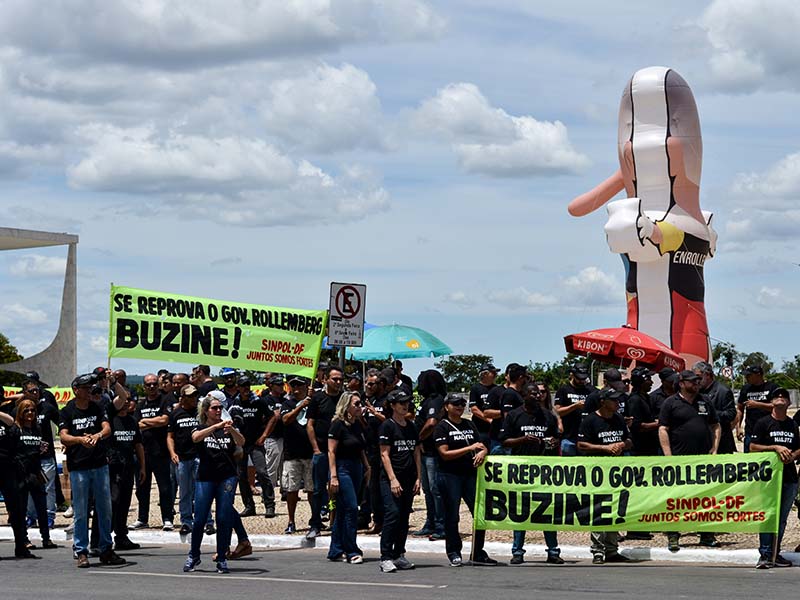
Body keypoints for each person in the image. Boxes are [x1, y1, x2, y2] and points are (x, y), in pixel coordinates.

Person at [59, 373, 126, 567]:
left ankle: (106, 549)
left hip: (99, 465)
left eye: (91, 388)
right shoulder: (67, 411)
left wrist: (96, 436)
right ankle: (81, 551)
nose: (89, 391)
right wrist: (80, 440)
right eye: (86, 388)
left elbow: (107, 429)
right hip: (79, 467)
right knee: (80, 511)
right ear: (76, 390)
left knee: (105, 509)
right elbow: (64, 436)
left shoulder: (97, 407)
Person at [184, 393, 246, 574]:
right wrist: (216, 426)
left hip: (227, 476)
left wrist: (232, 430)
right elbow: (195, 438)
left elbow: (241, 443)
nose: (218, 411)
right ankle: (194, 554)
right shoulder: (201, 426)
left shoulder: (228, 427)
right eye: (214, 408)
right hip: (206, 477)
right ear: (206, 411)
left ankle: (221, 556)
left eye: (220, 408)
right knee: (200, 519)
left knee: (224, 517)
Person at [500, 383, 562, 564]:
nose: (537, 396)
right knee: (521, 511)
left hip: (544, 470)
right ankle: (517, 552)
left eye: (540, 393)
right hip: (521, 470)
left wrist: (551, 441)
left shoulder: (547, 416)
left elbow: (557, 438)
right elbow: (504, 441)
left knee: (547, 512)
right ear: (524, 395)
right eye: (533, 393)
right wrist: (523, 440)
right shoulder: (513, 415)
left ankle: (553, 552)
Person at [659, 370, 721, 552]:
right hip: (678, 459)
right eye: (693, 381)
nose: (697, 383)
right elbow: (663, 429)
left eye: (698, 381)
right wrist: (668, 456)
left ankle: (706, 534)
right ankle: (673, 535)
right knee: (675, 499)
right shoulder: (670, 403)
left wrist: (715, 448)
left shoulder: (705, 401)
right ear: (682, 383)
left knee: (705, 497)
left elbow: (715, 425)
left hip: (703, 459)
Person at [434, 394, 496, 567]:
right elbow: (444, 454)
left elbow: (481, 445)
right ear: (446, 406)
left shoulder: (469, 424)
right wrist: (469, 448)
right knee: (452, 516)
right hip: (450, 475)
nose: (460, 407)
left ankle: (477, 552)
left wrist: (483, 452)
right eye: (455, 404)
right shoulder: (442, 427)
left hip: (470, 475)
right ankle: (454, 551)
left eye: (462, 403)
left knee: (479, 514)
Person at [578, 388, 633, 564]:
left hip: (617, 472)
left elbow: (630, 440)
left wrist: (621, 445)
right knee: (598, 510)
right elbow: (581, 444)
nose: (618, 403)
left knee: (615, 509)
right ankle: (598, 550)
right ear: (603, 401)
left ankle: (611, 549)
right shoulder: (590, 420)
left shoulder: (618, 419)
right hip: (597, 473)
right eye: (614, 400)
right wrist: (604, 448)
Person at [750, 388, 800, 568]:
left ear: (789, 403)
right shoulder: (763, 423)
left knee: (782, 518)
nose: (780, 398)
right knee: (768, 516)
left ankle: (775, 553)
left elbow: (798, 447)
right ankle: (764, 554)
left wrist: (793, 455)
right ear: (772, 403)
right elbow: (753, 447)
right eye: (776, 396)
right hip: (768, 479)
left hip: (789, 478)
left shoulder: (792, 425)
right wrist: (775, 448)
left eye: (784, 397)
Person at [378, 389, 422, 573]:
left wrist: (419, 477)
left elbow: (417, 452)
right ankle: (386, 556)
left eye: (407, 402)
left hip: (409, 478)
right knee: (393, 514)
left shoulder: (411, 426)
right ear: (392, 405)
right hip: (391, 478)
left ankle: (399, 554)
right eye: (401, 402)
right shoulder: (387, 426)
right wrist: (393, 479)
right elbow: (384, 454)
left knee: (404, 517)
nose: (405, 405)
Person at [327, 390, 369, 564]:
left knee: (344, 510)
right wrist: (334, 476)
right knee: (352, 508)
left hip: (356, 467)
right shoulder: (337, 424)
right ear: (347, 406)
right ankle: (351, 549)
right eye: (357, 404)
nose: (360, 407)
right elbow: (331, 451)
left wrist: (367, 466)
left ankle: (336, 549)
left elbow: (360, 448)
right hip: (342, 468)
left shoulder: (357, 424)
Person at [168, 384, 214, 536]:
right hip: (182, 458)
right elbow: (170, 436)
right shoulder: (175, 414)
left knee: (202, 491)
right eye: (190, 396)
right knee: (185, 492)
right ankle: (186, 522)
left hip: (200, 456)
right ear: (182, 398)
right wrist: (172, 452)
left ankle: (207, 522)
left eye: (195, 395)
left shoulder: (200, 412)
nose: (194, 398)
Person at [131, 372, 174, 531]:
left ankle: (167, 518)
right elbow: (137, 425)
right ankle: (142, 518)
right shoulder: (141, 405)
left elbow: (165, 420)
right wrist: (152, 422)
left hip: (161, 452)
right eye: (148, 384)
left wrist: (146, 421)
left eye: (154, 384)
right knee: (142, 488)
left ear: (159, 385)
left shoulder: (166, 400)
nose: (151, 387)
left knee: (164, 487)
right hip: (143, 453)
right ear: (144, 386)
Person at [305, 366, 343, 539]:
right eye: (334, 379)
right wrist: (316, 449)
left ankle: (336, 523)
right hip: (321, 451)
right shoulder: (317, 399)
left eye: (340, 379)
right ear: (326, 379)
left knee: (336, 489)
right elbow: (310, 425)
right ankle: (315, 523)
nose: (338, 382)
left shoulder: (345, 399)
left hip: (340, 452)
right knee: (318, 489)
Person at [231, 375, 276, 519]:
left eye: (247, 385)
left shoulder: (258, 402)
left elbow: (273, 417)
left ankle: (269, 505)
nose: (246, 388)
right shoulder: (235, 404)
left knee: (262, 472)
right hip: (241, 444)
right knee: (241, 475)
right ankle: (249, 506)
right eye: (243, 385)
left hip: (256, 443)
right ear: (238, 387)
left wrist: (264, 435)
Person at [14, 399, 57, 550]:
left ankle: (46, 538)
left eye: (32, 410)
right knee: (21, 509)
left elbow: (37, 450)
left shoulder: (37, 429)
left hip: (36, 472)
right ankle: (24, 539)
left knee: (42, 507)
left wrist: (40, 450)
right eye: (26, 410)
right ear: (21, 413)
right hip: (20, 474)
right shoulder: (16, 430)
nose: (30, 413)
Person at [107, 392, 146, 551]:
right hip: (113, 467)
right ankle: (105, 537)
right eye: (123, 400)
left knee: (124, 502)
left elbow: (138, 445)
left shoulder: (132, 421)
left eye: (129, 400)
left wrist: (143, 467)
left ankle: (121, 537)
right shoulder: (110, 420)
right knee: (113, 502)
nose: (126, 403)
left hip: (129, 467)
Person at [20, 380, 60, 530]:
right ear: (25, 393)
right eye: (32, 391)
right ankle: (31, 517)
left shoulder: (47, 408)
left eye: (37, 390)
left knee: (48, 488)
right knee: (29, 488)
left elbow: (62, 423)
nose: (36, 393)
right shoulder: (20, 409)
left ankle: (49, 516)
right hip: (27, 459)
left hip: (46, 457)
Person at [413, 369, 447, 540]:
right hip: (425, 453)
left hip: (433, 452)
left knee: (435, 490)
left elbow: (432, 423)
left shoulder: (436, 400)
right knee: (428, 490)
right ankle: (430, 523)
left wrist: (418, 439)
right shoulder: (427, 400)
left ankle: (441, 525)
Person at [0, 406, 37, 558]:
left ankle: (20, 546)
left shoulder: (4, 419)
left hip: (8, 469)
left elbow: (13, 425)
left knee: (17, 510)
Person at [280, 376, 314, 534]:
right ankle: (291, 521)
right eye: (293, 386)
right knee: (292, 489)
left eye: (299, 385)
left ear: (306, 386)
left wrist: (309, 401)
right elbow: (286, 420)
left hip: (310, 452)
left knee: (312, 489)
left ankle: (315, 520)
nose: (296, 389)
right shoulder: (287, 403)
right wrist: (301, 406)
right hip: (292, 453)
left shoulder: (313, 401)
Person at [361, 368, 389, 534]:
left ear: (381, 384)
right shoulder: (368, 400)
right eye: (367, 383)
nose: (368, 386)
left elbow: (392, 421)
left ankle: (386, 521)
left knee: (384, 486)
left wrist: (374, 413)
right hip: (370, 449)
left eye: (372, 383)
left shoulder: (387, 401)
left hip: (385, 450)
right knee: (373, 488)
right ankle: (377, 520)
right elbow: (367, 426)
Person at [693, 361, 736, 454]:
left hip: (721, 443)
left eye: (699, 378)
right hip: (701, 443)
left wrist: (710, 414)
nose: (696, 381)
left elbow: (731, 414)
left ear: (708, 375)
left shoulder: (723, 391)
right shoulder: (696, 391)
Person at [555, 365, 596, 456]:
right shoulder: (563, 390)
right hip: (569, 437)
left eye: (584, 378)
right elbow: (557, 411)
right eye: (579, 378)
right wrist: (575, 406)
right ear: (572, 375)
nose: (581, 381)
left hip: (587, 438)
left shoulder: (591, 390)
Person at [735, 365, 778, 453]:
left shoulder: (772, 387)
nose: (746, 377)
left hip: (769, 431)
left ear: (758, 374)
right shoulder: (746, 389)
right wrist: (738, 427)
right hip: (751, 431)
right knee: (750, 460)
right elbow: (740, 409)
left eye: (749, 375)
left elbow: (778, 407)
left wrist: (758, 404)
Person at [261, 374, 287, 502]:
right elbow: (273, 417)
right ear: (271, 386)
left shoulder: (284, 399)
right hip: (272, 436)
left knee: (284, 466)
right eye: (278, 385)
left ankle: (285, 491)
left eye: (282, 384)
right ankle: (267, 493)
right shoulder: (266, 400)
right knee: (271, 467)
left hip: (284, 435)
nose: (281, 387)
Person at [469, 364, 499, 448]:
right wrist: (488, 419)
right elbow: (474, 409)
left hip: (495, 429)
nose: (496, 375)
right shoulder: (476, 388)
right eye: (493, 373)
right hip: (480, 429)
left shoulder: (497, 388)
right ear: (485, 374)